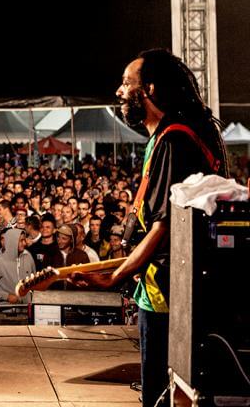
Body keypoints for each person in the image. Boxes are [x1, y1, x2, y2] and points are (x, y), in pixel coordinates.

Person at [72, 49, 227, 407]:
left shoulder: (175, 139)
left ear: (150, 90)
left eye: (128, 83)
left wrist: (115, 277)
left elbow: (164, 227)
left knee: (162, 394)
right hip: (165, 289)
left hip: (169, 297)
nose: (119, 91)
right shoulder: (169, 137)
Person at [0, 228, 35, 304]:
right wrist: (7, 296)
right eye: (21, 241)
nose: (24, 243)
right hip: (8, 312)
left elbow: (34, 280)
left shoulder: (28, 257)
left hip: (27, 309)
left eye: (24, 240)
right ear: (12, 242)